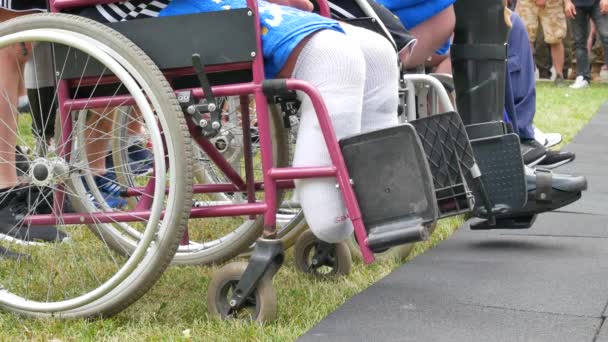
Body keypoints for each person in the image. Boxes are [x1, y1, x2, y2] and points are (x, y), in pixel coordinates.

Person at [1, 0, 400, 245]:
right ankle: (333, 221)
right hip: (136, 13)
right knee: (334, 58)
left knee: (377, 51)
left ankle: (384, 204)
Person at [516, 0, 568, 85]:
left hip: (552, 2)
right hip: (527, 2)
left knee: (556, 38)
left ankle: (559, 76)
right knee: (526, 38)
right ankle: (524, 76)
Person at [564, 0, 608, 88]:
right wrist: (567, 2)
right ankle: (583, 77)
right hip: (576, 4)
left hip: (598, 3)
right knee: (579, 42)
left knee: (606, 36)